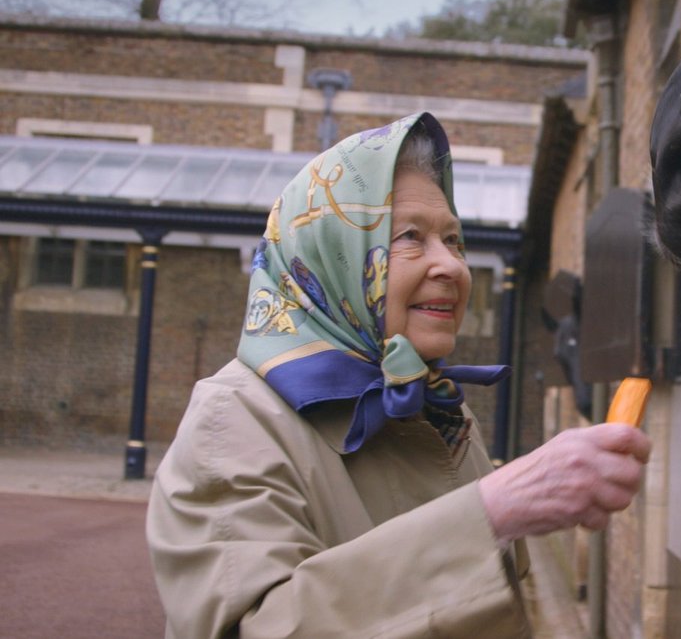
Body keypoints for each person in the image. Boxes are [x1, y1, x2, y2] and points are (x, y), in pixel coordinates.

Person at [146, 113, 651, 638]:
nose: (453, 267)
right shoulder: (233, 420)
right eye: (411, 237)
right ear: (330, 255)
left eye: (454, 240)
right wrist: (491, 513)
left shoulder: (435, 405)